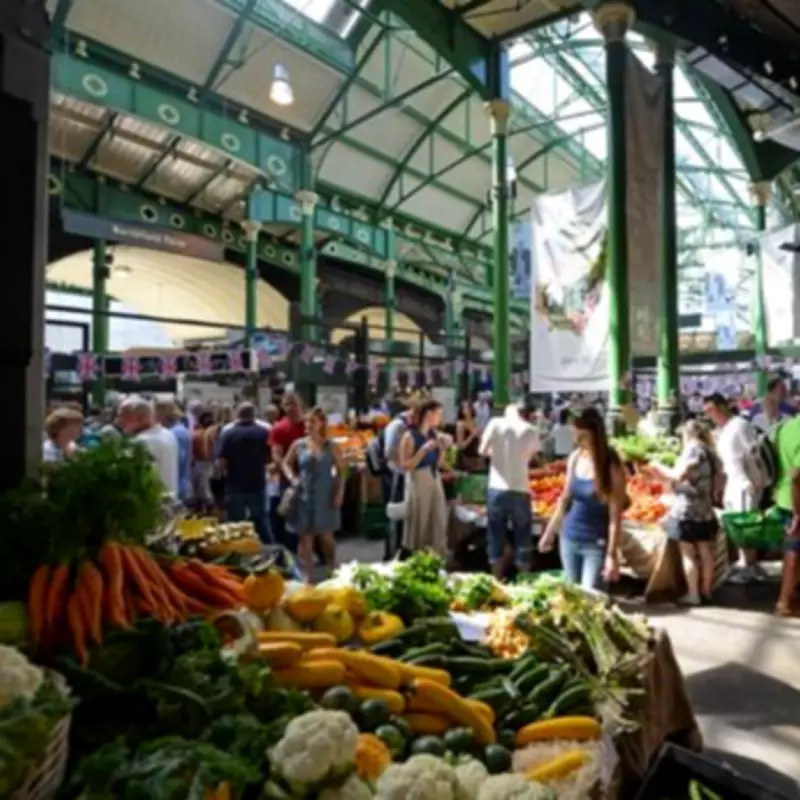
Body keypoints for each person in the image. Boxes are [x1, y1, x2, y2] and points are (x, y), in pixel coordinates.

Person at [539, 407, 627, 591]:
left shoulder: (610, 464)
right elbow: (565, 499)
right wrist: (550, 532)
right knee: (572, 598)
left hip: (596, 543)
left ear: (586, 432)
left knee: (592, 597)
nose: (571, 431)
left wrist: (611, 555)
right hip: (569, 538)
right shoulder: (575, 457)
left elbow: (615, 516)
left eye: (574, 428)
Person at [646, 421, 721, 605]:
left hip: (687, 510)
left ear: (687, 435)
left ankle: (693, 594)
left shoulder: (693, 450)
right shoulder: (711, 452)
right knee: (705, 552)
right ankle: (707, 591)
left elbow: (677, 474)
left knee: (687, 553)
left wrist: (657, 466)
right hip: (705, 510)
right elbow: (720, 477)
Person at [704, 393, 765, 583]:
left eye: (711, 410)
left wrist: (756, 482)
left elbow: (755, 455)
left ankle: (750, 566)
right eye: (707, 411)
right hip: (732, 483)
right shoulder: (722, 430)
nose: (709, 414)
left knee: (746, 526)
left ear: (722, 407)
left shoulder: (741, 425)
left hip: (745, 484)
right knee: (736, 527)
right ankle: (743, 561)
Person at [479, 402, 541, 578]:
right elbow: (530, 457)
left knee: (495, 535)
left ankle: (497, 578)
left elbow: (482, 451)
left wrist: (497, 454)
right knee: (523, 536)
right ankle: (524, 578)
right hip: (521, 489)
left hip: (497, 488)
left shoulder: (495, 424)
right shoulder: (531, 430)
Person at [282, 408, 344, 582]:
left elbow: (341, 471)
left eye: (312, 422)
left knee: (326, 536)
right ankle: (309, 575)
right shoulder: (298, 444)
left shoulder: (331, 446)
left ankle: (333, 566)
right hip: (304, 493)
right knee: (305, 536)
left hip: (325, 493)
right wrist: (292, 478)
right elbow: (286, 463)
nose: (308, 425)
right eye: (307, 422)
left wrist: (339, 492)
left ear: (321, 423)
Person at [398, 400, 449, 556]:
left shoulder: (434, 435)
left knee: (438, 517)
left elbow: (439, 462)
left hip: (434, 478)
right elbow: (405, 465)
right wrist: (422, 451)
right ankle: (417, 553)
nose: (440, 418)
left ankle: (436, 552)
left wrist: (444, 448)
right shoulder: (410, 436)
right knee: (421, 520)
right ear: (428, 414)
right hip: (418, 479)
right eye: (438, 414)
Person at [217, 402, 270, 542]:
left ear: (237, 415)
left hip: (235, 484)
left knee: (236, 524)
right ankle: (269, 548)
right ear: (254, 415)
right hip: (257, 482)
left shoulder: (228, 434)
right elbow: (270, 458)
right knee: (260, 519)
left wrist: (221, 480)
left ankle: (239, 551)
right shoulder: (264, 433)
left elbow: (221, 463)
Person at [770, 412, 800, 616]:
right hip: (796, 502)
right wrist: (799, 514)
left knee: (792, 551)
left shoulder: (786, 427)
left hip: (782, 497)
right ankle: (784, 601)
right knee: (794, 553)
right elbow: (797, 477)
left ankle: (788, 596)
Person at [118, 396, 179, 495]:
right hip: (170, 498)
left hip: (151, 504)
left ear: (142, 417)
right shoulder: (168, 434)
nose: (120, 421)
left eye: (124, 416)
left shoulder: (140, 443)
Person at [269, 394, 306, 549]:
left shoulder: (310, 425)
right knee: (291, 515)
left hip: (312, 478)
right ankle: (291, 551)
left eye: (293, 403)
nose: (291, 407)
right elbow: (276, 455)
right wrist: (290, 474)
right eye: (287, 404)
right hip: (290, 481)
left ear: (301, 404)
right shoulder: (279, 428)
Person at [382, 404, 413, 559]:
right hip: (397, 474)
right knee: (397, 513)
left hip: (399, 473)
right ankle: (393, 552)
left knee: (399, 514)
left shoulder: (399, 425)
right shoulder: (398, 426)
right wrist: (404, 465)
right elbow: (389, 452)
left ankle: (396, 550)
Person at [157, 400, 192, 504]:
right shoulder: (180, 430)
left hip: (176, 484)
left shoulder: (175, 433)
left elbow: (178, 459)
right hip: (181, 482)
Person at [190, 410, 216, 513]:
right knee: (205, 489)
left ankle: (204, 510)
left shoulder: (198, 434)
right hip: (208, 463)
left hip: (201, 463)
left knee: (203, 490)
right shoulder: (212, 432)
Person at [455, 400, 483, 472]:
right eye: (465, 408)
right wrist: (472, 435)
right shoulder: (461, 424)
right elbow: (460, 446)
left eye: (469, 407)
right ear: (462, 410)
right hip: (467, 458)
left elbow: (480, 441)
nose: (468, 410)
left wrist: (480, 435)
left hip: (478, 457)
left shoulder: (475, 422)